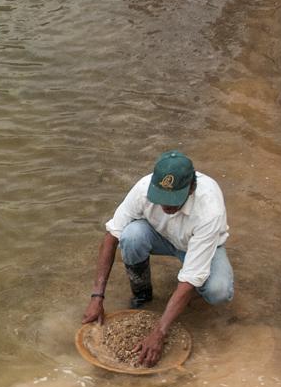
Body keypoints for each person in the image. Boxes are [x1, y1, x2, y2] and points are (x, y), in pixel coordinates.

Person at [82, 150, 234, 367]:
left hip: (199, 244)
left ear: (191, 188)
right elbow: (111, 236)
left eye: (173, 201)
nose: (166, 206)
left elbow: (191, 276)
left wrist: (159, 332)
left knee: (218, 290)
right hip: (161, 235)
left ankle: (191, 301)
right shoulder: (143, 188)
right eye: (161, 198)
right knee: (131, 236)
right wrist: (97, 297)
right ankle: (142, 295)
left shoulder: (209, 211)